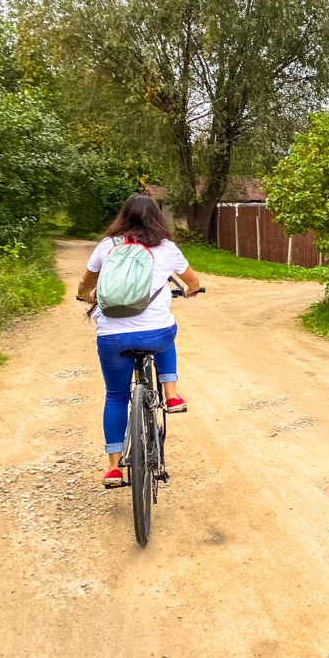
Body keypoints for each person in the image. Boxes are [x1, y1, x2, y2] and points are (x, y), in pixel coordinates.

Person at [76, 194, 201, 488]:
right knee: (167, 330)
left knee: (116, 396)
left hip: (111, 337)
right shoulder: (166, 248)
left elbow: (85, 284)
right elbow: (192, 280)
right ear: (157, 218)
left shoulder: (107, 246)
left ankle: (113, 468)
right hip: (155, 334)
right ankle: (171, 394)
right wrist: (191, 290)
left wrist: (83, 296)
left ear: (123, 217)